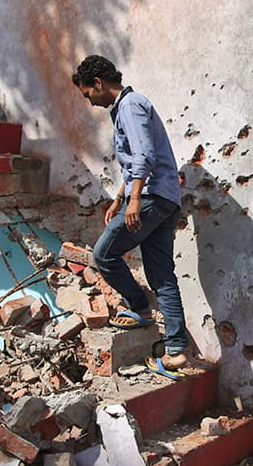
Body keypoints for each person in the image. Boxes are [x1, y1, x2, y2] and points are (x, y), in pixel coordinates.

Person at [72, 55, 189, 377]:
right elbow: (139, 158)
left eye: (88, 94)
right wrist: (121, 196)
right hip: (164, 200)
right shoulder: (129, 107)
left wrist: (134, 199)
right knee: (162, 275)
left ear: (98, 82)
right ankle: (177, 350)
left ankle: (140, 307)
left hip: (151, 197)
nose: (90, 102)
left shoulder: (130, 105)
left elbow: (145, 157)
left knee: (104, 254)